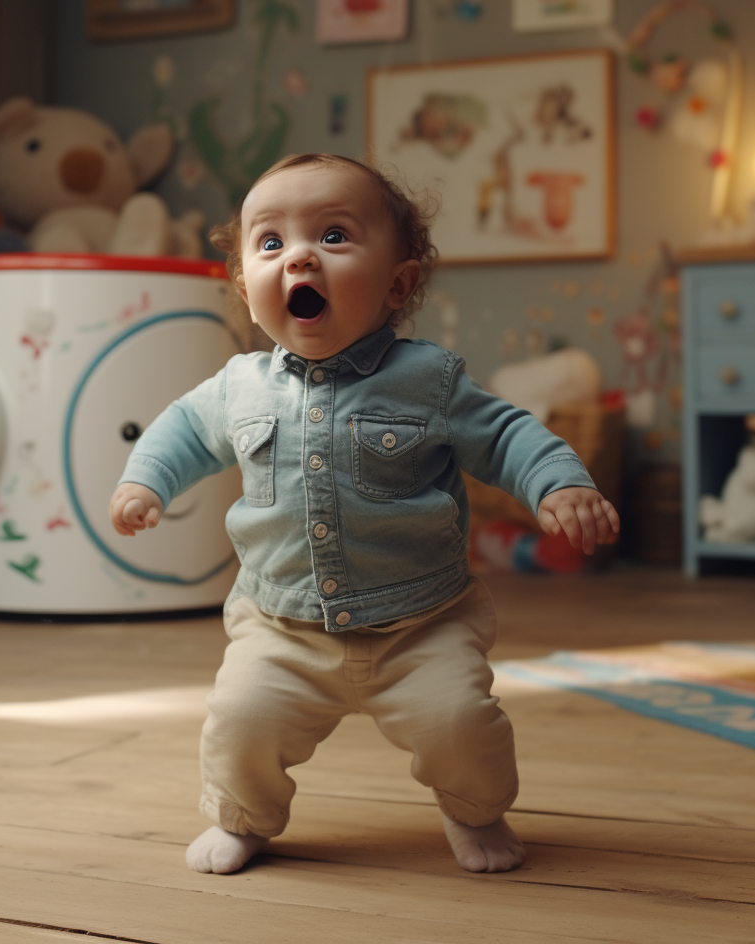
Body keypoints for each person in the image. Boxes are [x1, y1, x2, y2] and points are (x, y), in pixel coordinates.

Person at [109, 153, 620, 876]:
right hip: (282, 627)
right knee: (241, 721)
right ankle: (245, 817)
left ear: (398, 284)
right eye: (271, 242)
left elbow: (507, 433)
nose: (299, 259)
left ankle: (474, 810)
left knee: (459, 724)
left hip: (421, 625)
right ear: (245, 289)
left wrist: (557, 482)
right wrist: (146, 481)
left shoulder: (427, 380)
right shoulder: (237, 386)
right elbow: (183, 433)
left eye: (335, 236)